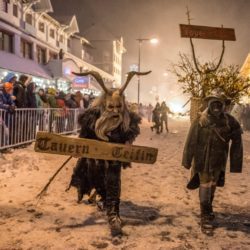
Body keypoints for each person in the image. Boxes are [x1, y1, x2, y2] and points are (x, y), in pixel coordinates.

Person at [68, 71, 147, 236]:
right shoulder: (92, 118)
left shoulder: (127, 120)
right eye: (111, 107)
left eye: (118, 107)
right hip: (94, 160)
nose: (115, 111)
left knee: (113, 182)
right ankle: (102, 199)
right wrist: (78, 148)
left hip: (114, 159)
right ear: (104, 104)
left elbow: (130, 134)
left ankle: (113, 214)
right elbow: (84, 138)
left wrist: (127, 142)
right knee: (98, 181)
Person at [182, 94, 243, 235]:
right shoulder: (200, 120)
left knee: (212, 184)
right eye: (213, 103)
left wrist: (236, 163)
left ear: (223, 105)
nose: (216, 107)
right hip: (202, 160)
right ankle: (205, 215)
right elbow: (191, 140)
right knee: (205, 184)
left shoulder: (229, 121)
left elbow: (237, 141)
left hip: (218, 161)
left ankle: (208, 209)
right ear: (209, 104)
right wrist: (187, 160)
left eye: (219, 104)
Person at [0, 82, 16, 150]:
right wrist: (8, 107)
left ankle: (5, 146)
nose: (11, 91)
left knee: (6, 131)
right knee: (4, 131)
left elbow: (11, 102)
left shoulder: (8, 94)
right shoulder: (0, 93)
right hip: (1, 115)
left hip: (5, 116)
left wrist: (12, 106)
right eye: (10, 89)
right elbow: (0, 104)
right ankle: (4, 147)